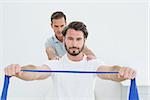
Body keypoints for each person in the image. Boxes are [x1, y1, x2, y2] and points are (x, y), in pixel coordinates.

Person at [5, 21, 136, 100]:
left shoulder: (93, 64)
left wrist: (123, 71)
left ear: (84, 41)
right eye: (70, 39)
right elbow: (35, 72)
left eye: (78, 39)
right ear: (64, 40)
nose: (74, 43)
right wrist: (19, 71)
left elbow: (112, 72)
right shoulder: (56, 64)